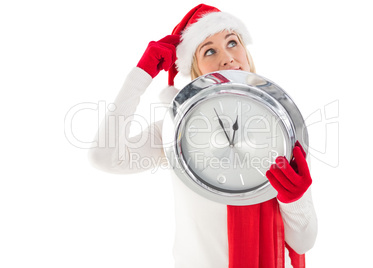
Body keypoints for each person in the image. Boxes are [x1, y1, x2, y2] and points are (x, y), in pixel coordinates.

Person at [88, 4, 317, 268]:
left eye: (233, 42)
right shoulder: (177, 131)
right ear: (196, 70)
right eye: (209, 50)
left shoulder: (282, 129)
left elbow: (303, 242)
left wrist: (295, 198)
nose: (228, 58)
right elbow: (103, 157)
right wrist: (140, 76)